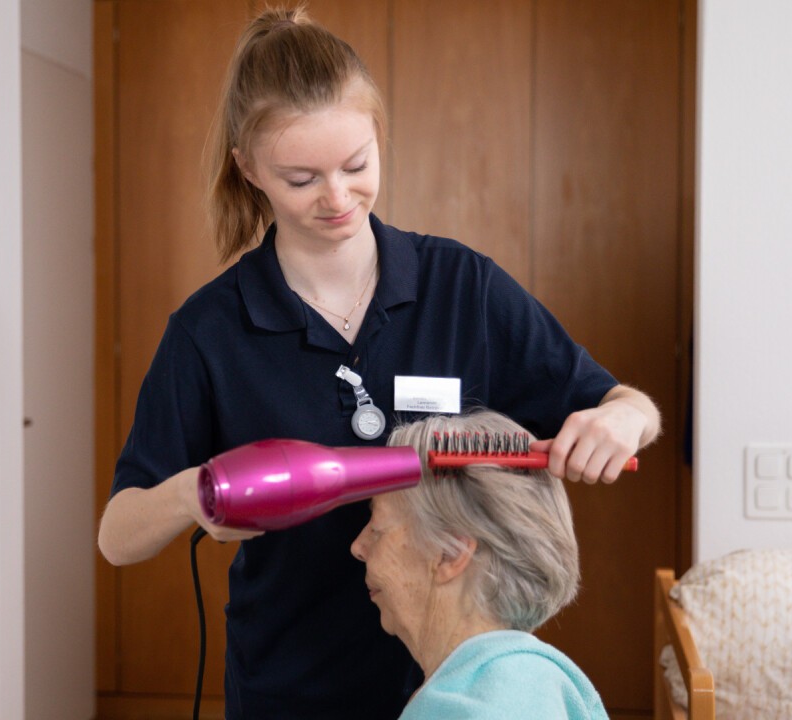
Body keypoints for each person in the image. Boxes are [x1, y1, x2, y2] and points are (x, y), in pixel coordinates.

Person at [97, 6, 660, 719]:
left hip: (459, 683)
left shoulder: (463, 288)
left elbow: (620, 403)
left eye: (357, 166)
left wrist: (623, 420)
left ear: (379, 138)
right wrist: (196, 496)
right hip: (289, 687)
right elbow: (118, 536)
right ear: (247, 168)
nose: (337, 198)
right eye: (301, 178)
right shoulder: (212, 330)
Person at [351, 410, 608, 719]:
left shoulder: (481, 709)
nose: (358, 547)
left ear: (450, 553)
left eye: (377, 528)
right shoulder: (537, 685)